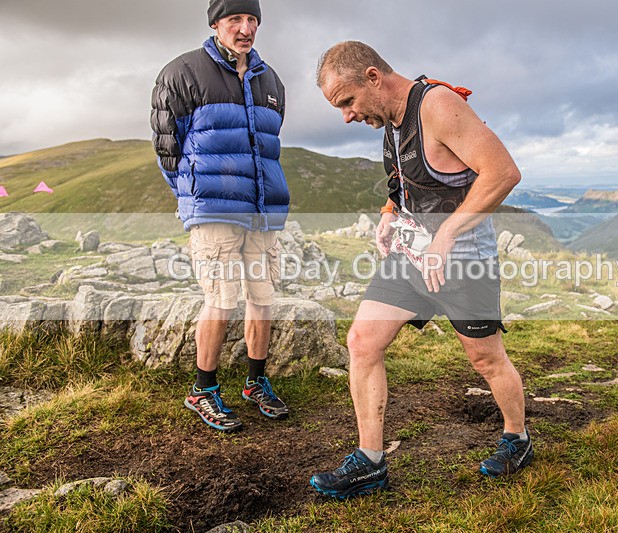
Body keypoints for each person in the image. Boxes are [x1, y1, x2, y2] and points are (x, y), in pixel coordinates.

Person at [310, 41, 532, 498]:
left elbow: (503, 172)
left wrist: (447, 236)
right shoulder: (389, 121)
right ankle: (370, 461)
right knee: (362, 341)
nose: (347, 116)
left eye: (347, 102)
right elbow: (415, 178)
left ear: (373, 77)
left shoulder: (439, 106)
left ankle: (517, 437)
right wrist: (390, 211)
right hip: (412, 256)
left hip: (463, 258)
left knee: (485, 358)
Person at [150, 0, 290, 432]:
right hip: (213, 209)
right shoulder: (182, 73)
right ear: (216, 24)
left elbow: (268, 142)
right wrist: (194, 197)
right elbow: (166, 147)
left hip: (262, 210)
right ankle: (203, 390)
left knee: (263, 298)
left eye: (252, 20)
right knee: (222, 298)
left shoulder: (272, 81)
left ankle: (255, 381)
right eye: (236, 20)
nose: (245, 28)